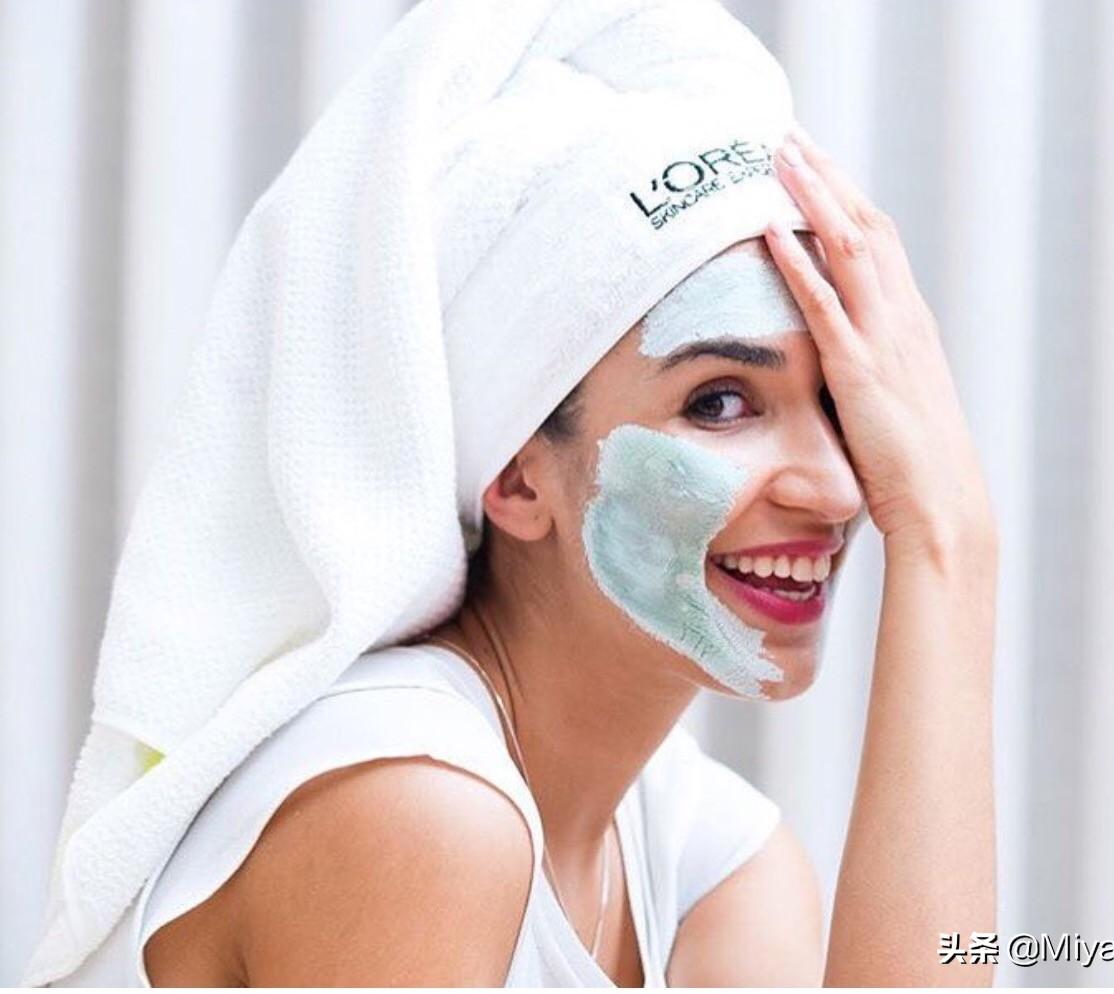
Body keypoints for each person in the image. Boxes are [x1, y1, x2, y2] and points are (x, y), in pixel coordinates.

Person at [137, 129, 997, 987]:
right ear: (517, 476)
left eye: (841, 402)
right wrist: (946, 546)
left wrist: (950, 542)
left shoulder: (714, 861)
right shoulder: (413, 802)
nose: (837, 491)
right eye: (720, 402)